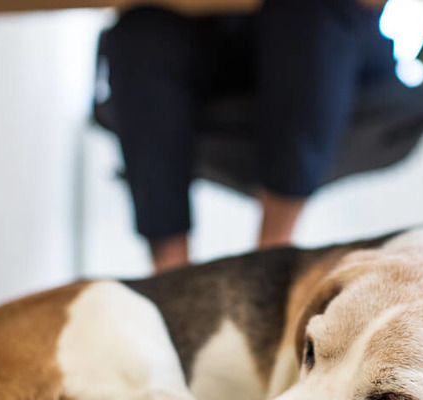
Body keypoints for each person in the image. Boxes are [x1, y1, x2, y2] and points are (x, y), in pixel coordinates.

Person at [101, 0, 393, 271]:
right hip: (197, 34)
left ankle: (271, 262)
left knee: (307, 10)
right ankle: (172, 277)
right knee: (140, 34)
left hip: (325, 38)